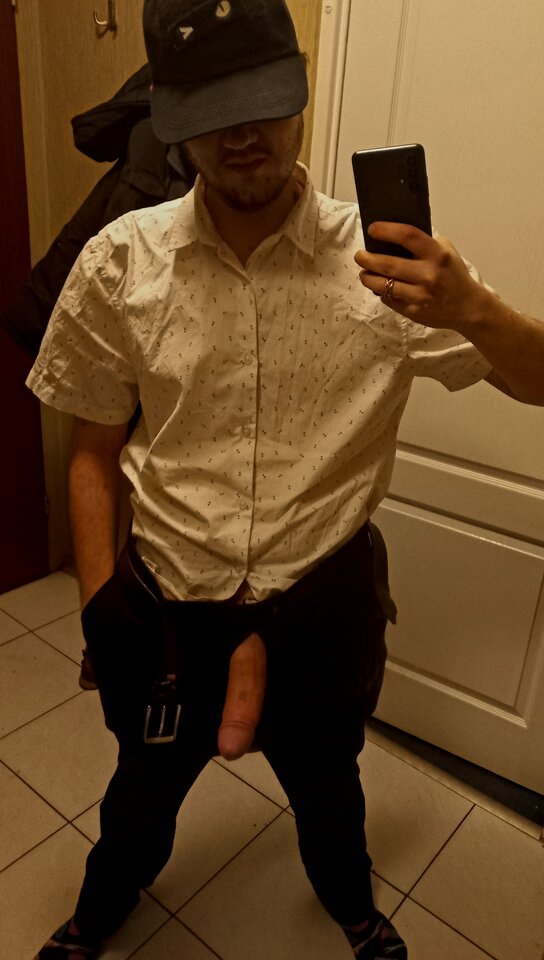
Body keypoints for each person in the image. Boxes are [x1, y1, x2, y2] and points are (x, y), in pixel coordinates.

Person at [27, 1, 544, 958]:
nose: (242, 135)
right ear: (170, 114)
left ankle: (352, 907)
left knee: (329, 786)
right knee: (139, 793)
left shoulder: (388, 265)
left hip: (323, 606)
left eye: (261, 102)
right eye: (212, 110)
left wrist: (471, 307)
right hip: (167, 605)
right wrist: (100, 601)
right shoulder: (119, 262)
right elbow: (93, 448)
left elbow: (539, 381)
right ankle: (99, 910)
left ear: (298, 89)